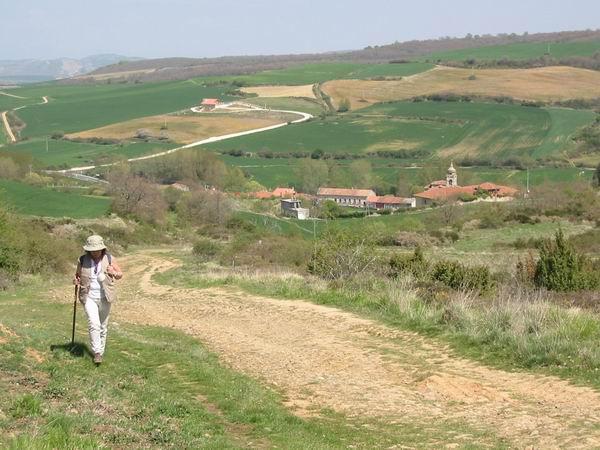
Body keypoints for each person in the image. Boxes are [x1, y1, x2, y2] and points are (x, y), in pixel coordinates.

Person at [74, 235, 123, 365]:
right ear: (88, 250)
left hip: (105, 297)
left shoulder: (110, 258)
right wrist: (76, 280)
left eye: (97, 249)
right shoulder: (83, 260)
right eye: (92, 250)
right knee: (94, 324)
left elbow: (120, 275)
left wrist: (113, 272)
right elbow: (77, 275)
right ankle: (96, 353)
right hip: (88, 296)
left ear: (102, 248)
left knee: (103, 326)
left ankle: (100, 351)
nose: (95, 252)